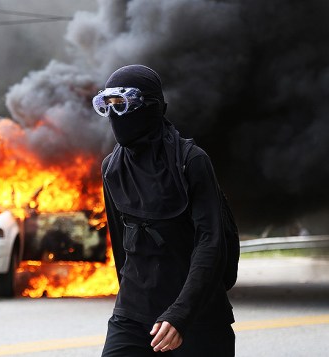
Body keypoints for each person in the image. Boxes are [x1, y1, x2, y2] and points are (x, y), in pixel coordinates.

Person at [94, 65, 235, 356]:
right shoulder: (112, 168)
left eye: (122, 105)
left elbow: (211, 243)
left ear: (151, 106)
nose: (115, 117)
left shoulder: (191, 162)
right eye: (107, 107)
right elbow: (122, 248)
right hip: (133, 315)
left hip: (197, 315)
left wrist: (181, 314)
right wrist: (130, 303)